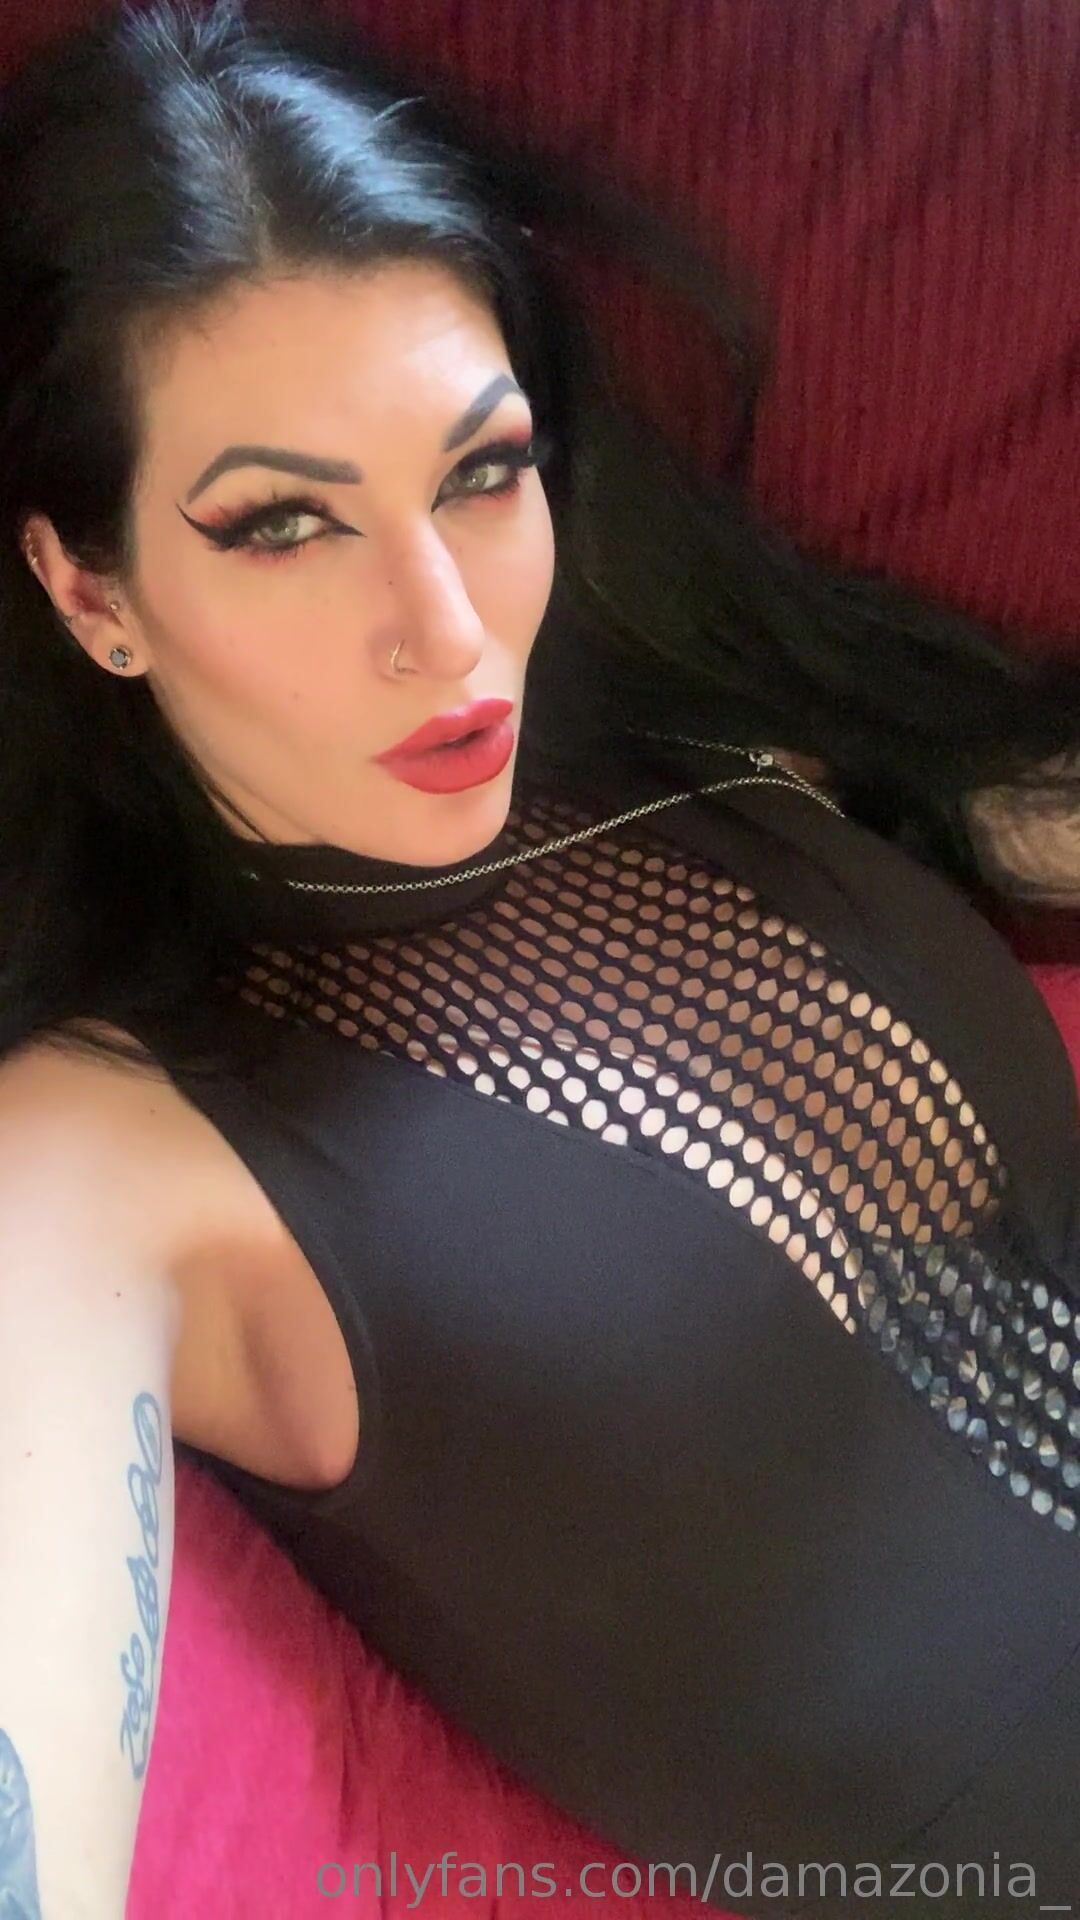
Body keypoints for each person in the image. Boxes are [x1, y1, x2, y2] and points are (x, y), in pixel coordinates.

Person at [1, 2, 1079, 1914]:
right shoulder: (102, 1149)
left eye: (480, 472)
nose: (446, 633)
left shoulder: (714, 748)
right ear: (91, 588)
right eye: (282, 525)